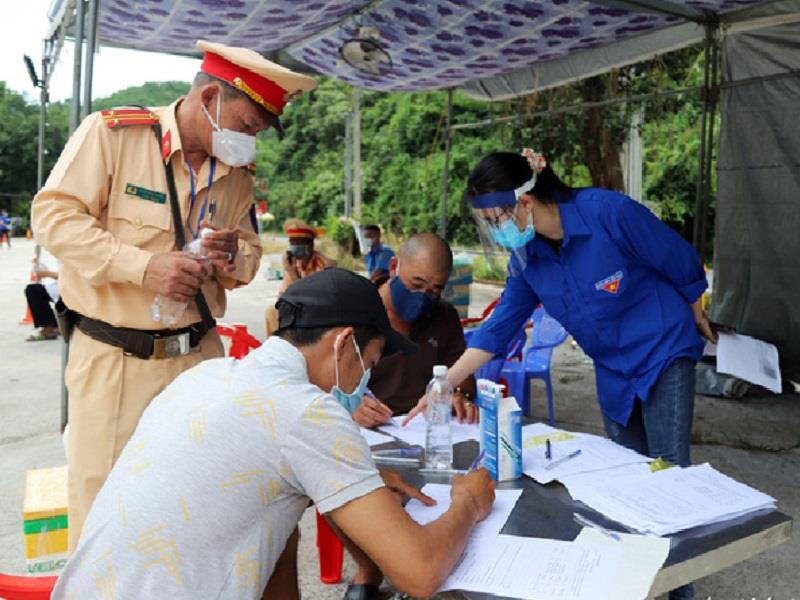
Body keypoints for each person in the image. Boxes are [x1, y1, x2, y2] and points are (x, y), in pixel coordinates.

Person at [51, 268, 495, 600]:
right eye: (370, 363)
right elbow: (419, 573)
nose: (365, 380)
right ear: (343, 344)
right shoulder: (308, 411)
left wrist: (362, 475)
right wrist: (467, 503)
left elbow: (268, 503)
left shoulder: (207, 376)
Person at [31, 39, 316, 551]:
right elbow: (53, 217)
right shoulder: (113, 135)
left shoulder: (235, 176)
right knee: (105, 521)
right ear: (210, 98)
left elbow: (249, 253)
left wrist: (234, 258)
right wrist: (142, 267)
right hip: (115, 360)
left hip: (199, 359)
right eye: (248, 126)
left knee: (197, 508)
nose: (251, 141)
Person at [407, 149, 717, 600]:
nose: (497, 230)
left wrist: (697, 313)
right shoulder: (528, 260)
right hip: (612, 369)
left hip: (663, 351)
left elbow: (680, 260)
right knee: (624, 485)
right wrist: (444, 383)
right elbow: (498, 329)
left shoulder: (609, 214)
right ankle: (636, 586)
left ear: (526, 203)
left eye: (498, 218)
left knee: (668, 478)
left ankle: (679, 593)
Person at [344, 232, 477, 599]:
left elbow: (462, 371)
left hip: (425, 435)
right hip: (365, 435)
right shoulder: (357, 310)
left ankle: (432, 569)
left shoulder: (444, 316)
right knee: (343, 478)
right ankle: (368, 570)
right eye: (416, 283)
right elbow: (320, 380)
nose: (423, 296)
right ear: (393, 267)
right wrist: (348, 405)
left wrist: (460, 393)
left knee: (457, 486)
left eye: (434, 289)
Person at [264, 217, 336, 336]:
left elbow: (311, 301)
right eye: (293, 243)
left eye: (299, 243)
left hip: (317, 314)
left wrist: (293, 276)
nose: (295, 247)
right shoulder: (294, 264)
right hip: (297, 309)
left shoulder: (323, 265)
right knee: (271, 312)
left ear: (311, 245)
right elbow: (283, 297)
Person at [24, 258, 60, 341]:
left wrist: (48, 274)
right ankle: (53, 326)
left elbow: (73, 277)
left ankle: (49, 329)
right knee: (33, 289)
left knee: (34, 291)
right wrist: (42, 268)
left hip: (74, 289)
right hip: (62, 286)